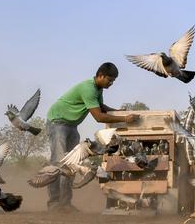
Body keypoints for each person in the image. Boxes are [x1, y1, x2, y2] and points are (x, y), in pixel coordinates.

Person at [45, 62, 140, 213]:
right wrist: (124, 119)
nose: (111, 83)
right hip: (58, 123)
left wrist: (118, 112)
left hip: (71, 125)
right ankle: (54, 203)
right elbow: (98, 116)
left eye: (113, 81)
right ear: (100, 75)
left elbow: (101, 107)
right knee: (59, 163)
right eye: (109, 80)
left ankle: (65, 203)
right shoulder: (88, 88)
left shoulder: (98, 89)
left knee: (72, 164)